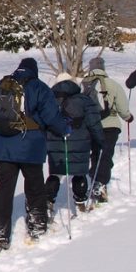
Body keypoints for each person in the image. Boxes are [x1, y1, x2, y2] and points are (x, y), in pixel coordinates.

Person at [0, 57, 67, 253]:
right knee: (35, 185)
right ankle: (37, 226)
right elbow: (51, 116)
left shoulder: (1, 84)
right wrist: (64, 129)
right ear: (34, 71)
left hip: (3, 147)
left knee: (4, 189)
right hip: (31, 145)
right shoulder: (38, 87)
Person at [45, 73, 106, 213]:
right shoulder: (84, 100)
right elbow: (94, 123)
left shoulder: (49, 101)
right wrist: (100, 140)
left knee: (55, 174)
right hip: (80, 144)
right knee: (79, 173)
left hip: (55, 143)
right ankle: (80, 203)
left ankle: (48, 201)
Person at [82, 56, 133, 204]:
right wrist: (128, 117)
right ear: (103, 68)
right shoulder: (112, 84)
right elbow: (123, 108)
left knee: (95, 154)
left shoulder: (84, 84)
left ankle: (94, 179)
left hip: (90, 125)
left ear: (90, 68)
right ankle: (101, 183)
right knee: (106, 154)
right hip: (110, 125)